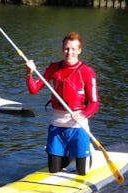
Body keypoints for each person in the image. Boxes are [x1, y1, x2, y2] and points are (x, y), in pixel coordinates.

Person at [25, 32, 99, 176]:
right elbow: (34, 90)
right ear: (62, 49)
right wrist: (29, 73)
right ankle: (69, 153)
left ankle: (88, 152)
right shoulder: (54, 68)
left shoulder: (86, 72)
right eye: (66, 48)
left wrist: (84, 114)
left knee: (82, 172)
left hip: (78, 127)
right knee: (54, 170)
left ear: (79, 50)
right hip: (57, 127)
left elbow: (94, 104)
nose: (69, 52)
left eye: (73, 49)